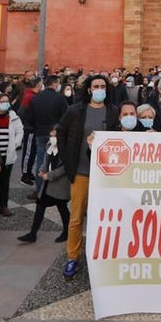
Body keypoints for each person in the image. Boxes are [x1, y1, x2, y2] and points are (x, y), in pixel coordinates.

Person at [56, 74, 119, 280]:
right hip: (82, 172)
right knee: (76, 218)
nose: (100, 89)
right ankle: (73, 256)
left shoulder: (113, 112)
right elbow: (61, 132)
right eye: (96, 86)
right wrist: (67, 160)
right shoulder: (76, 111)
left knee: (101, 218)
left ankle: (98, 254)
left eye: (103, 86)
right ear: (89, 89)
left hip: (105, 175)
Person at [0, 91, 24, 218]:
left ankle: (4, 206)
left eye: (7, 101)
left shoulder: (13, 116)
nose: (5, 104)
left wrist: (15, 144)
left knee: (4, 182)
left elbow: (20, 131)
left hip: (8, 155)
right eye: (2, 102)